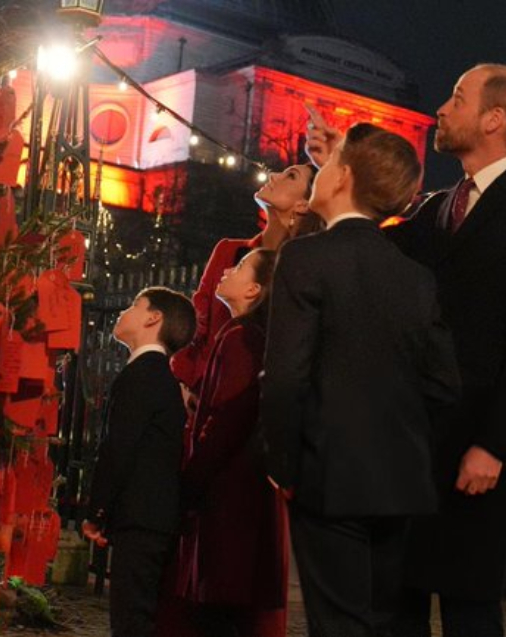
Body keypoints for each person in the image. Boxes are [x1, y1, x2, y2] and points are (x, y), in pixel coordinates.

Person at [381, 64, 506, 636]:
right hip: (414, 444)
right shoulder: (435, 208)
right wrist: (335, 168)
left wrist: (492, 444)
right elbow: (364, 244)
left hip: (475, 449)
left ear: (494, 118)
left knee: (469, 608)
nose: (442, 108)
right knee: (399, 602)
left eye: (458, 97)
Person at [260, 123, 461, 637]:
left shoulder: (306, 258)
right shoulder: (414, 276)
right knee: (381, 621)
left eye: (328, 164)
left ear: (343, 176)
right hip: (401, 479)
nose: (319, 172)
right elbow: (443, 384)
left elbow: (285, 377)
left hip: (327, 474)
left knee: (337, 622)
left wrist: (284, 465)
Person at [164, 248, 287, 637]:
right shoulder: (249, 334)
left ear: (253, 289)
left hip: (228, 498)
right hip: (241, 492)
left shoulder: (239, 336)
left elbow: (225, 419)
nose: (227, 271)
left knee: (218, 612)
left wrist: (192, 479)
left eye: (239, 267)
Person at [83, 286, 197, 637]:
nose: (124, 312)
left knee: (132, 618)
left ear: (153, 317)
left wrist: (97, 509)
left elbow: (119, 447)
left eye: (135, 305)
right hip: (151, 516)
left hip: (142, 515)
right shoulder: (157, 375)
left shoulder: (143, 374)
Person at [170, 163, 318, 408]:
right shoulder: (229, 251)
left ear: (303, 204)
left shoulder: (302, 269)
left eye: (291, 176)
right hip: (201, 395)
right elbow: (199, 322)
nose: (272, 174)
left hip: (260, 404)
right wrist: (184, 381)